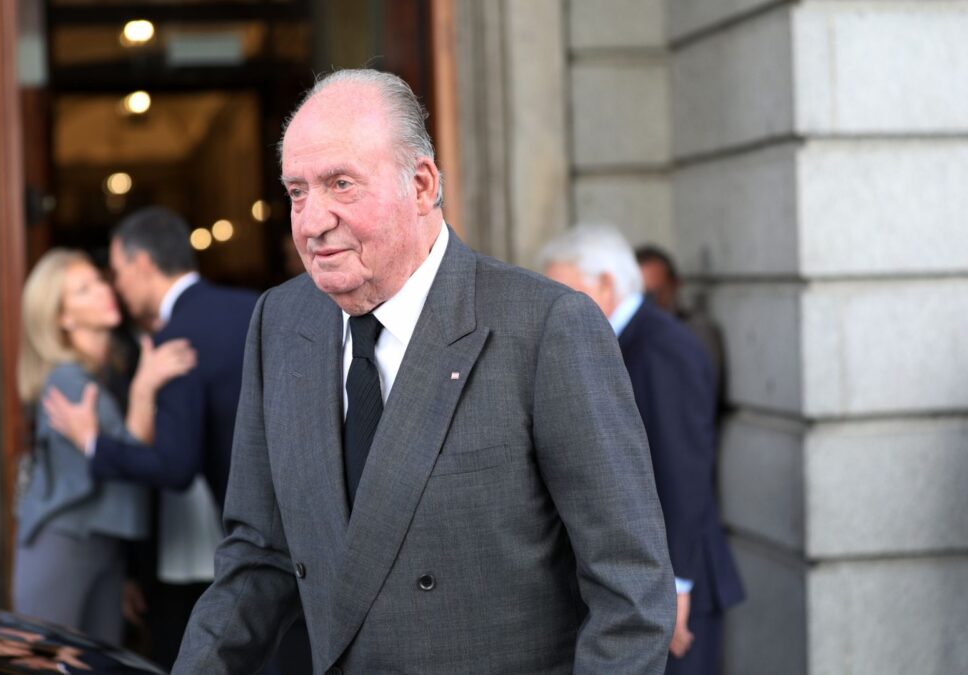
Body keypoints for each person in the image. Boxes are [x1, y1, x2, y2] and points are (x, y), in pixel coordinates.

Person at [167, 69, 676, 674]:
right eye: (297, 191)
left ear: (422, 184)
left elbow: (630, 592)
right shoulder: (279, 321)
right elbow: (257, 558)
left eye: (341, 184)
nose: (310, 222)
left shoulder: (547, 327)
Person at [41, 209, 261, 668]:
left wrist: (94, 444)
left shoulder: (175, 336)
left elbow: (175, 467)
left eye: (116, 273)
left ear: (141, 264)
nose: (115, 287)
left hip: (229, 538)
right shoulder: (256, 307)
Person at [541, 225, 745, 675]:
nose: (553, 307)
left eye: (564, 291)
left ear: (606, 283)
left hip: (677, 585)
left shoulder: (660, 346)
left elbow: (683, 472)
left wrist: (675, 587)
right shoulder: (623, 340)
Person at [13, 248, 196, 645]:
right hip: (64, 543)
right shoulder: (67, 380)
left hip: (103, 544)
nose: (103, 290)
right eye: (84, 290)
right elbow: (129, 459)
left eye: (98, 280)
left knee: (97, 663)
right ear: (62, 318)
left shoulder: (109, 370)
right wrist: (146, 387)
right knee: (47, 662)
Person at [635, 244, 725, 403]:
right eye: (642, 295)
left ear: (675, 285)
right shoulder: (630, 335)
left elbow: (701, 396)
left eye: (656, 293)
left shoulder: (697, 331)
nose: (651, 303)